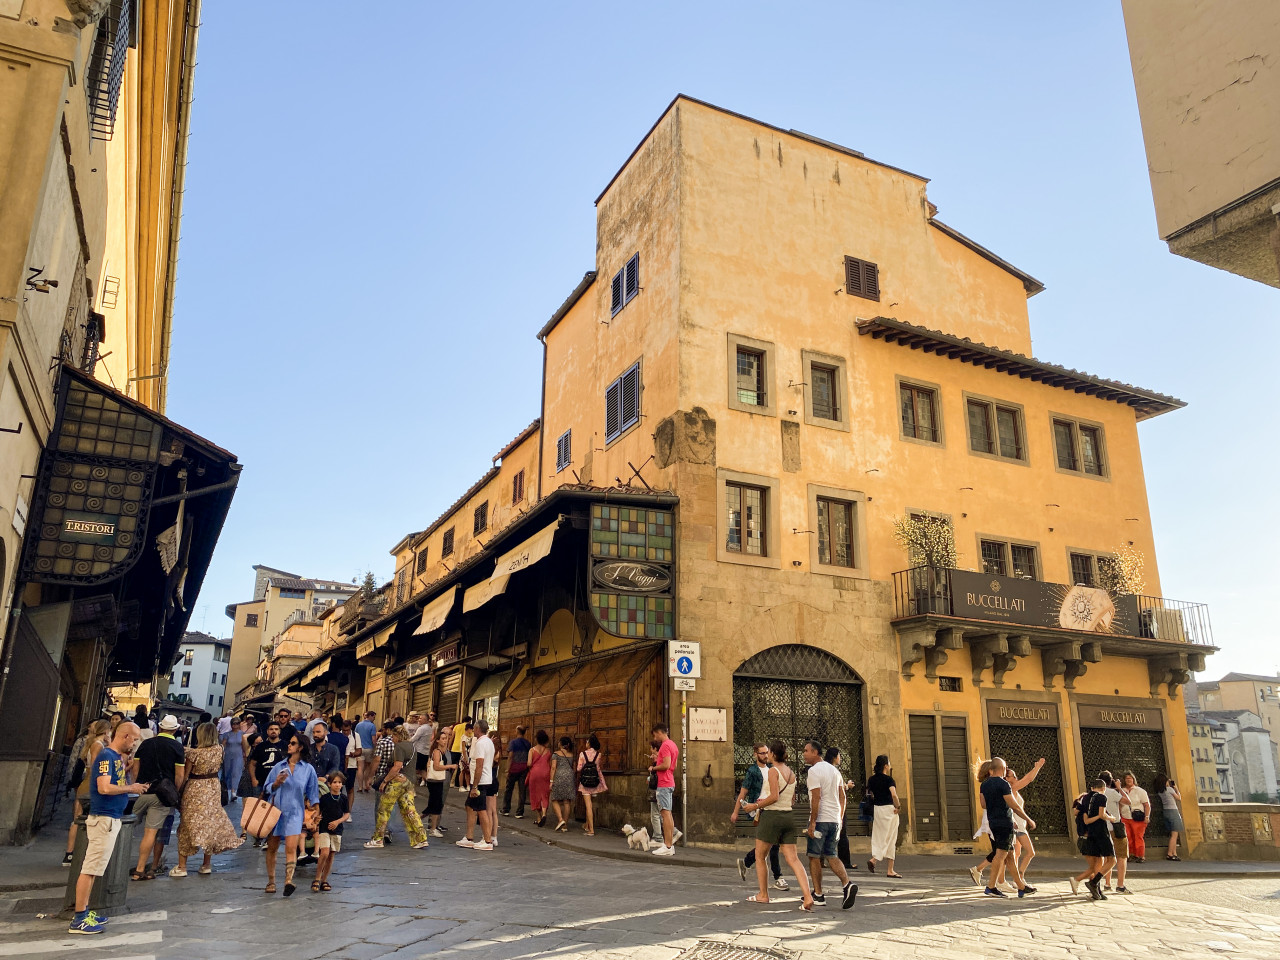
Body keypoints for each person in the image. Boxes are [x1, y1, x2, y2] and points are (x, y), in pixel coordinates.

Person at [68, 721, 148, 935]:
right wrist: (131, 787)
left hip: (109, 818)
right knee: (90, 869)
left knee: (94, 869)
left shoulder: (115, 758)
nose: (136, 743)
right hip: (104, 819)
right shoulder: (107, 757)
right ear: (125, 737)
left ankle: (84, 912)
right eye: (135, 738)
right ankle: (79, 918)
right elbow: (104, 787)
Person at [741, 741, 814, 910]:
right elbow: (792, 799)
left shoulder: (773, 771)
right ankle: (808, 896)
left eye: (769, 753)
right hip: (788, 816)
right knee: (793, 859)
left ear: (773, 754)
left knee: (760, 856)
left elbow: (773, 796)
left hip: (772, 816)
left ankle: (763, 895)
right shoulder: (791, 773)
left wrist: (755, 806)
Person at [170, 721, 243, 876]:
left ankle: (182, 867)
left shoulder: (194, 753)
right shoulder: (220, 750)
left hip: (195, 787)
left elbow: (186, 774)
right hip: (213, 787)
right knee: (209, 824)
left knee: (187, 825)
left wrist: (178, 791)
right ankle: (206, 864)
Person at [802, 740, 857, 909]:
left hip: (821, 820)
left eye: (806, 750)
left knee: (814, 856)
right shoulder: (835, 771)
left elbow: (816, 797)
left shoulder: (814, 771)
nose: (803, 753)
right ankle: (847, 884)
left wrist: (812, 822)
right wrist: (839, 818)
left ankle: (818, 894)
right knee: (832, 854)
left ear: (815, 752)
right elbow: (843, 797)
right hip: (834, 820)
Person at [263, 731, 319, 896]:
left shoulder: (308, 770)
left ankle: (288, 880)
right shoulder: (279, 766)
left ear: (300, 747)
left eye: (293, 743)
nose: (289, 745)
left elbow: (313, 793)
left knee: (291, 847)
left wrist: (315, 812)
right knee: (272, 847)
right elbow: (266, 788)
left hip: (295, 812)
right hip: (276, 811)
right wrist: (276, 783)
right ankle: (271, 881)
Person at [131, 714, 185, 882]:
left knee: (124, 828)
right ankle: (141, 869)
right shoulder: (177, 747)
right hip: (160, 796)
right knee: (151, 833)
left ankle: (114, 864)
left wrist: (136, 785)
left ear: (160, 727)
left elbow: (135, 768)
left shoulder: (145, 743)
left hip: (142, 791)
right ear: (175, 730)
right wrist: (173, 792)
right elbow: (179, 775)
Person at [365, 725, 431, 850]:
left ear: (398, 736)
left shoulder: (399, 747)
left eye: (393, 736)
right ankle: (421, 839)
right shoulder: (412, 746)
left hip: (398, 781)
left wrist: (385, 781)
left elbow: (397, 766)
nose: (392, 739)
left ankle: (378, 839)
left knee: (383, 808)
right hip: (410, 782)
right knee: (410, 811)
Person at [979, 757, 1036, 898]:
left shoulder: (984, 785)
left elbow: (983, 805)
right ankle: (991, 887)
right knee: (1001, 855)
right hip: (1005, 823)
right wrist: (1028, 819)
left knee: (1010, 855)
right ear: (1003, 769)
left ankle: (1021, 887)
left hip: (993, 823)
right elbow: (1014, 805)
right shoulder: (1004, 784)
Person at [733, 742, 787, 891]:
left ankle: (746, 862)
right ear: (755, 754)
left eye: (766, 752)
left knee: (767, 845)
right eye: (762, 753)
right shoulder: (752, 771)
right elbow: (743, 793)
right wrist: (735, 811)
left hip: (772, 809)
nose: (765, 755)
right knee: (774, 843)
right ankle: (778, 877)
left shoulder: (772, 769)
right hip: (759, 811)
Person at [65, 720, 110, 866]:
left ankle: (70, 853)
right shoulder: (98, 745)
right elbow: (98, 766)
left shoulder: (90, 743)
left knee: (78, 819)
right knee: (86, 820)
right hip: (92, 784)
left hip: (86, 783)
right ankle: (76, 853)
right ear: (106, 731)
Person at [1071, 778, 1118, 900]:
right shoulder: (1102, 797)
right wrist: (1111, 818)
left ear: (1092, 788)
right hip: (1101, 831)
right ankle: (1094, 882)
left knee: (1098, 862)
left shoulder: (1085, 798)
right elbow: (1102, 815)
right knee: (1112, 860)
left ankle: (1096, 890)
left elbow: (1077, 812)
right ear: (1104, 788)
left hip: (1091, 833)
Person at [456, 719, 496, 850]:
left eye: (474, 728)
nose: (473, 730)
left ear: (478, 729)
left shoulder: (480, 743)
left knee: (481, 810)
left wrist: (474, 786)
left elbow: (479, 765)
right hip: (485, 779)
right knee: (469, 806)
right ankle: (469, 837)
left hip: (480, 781)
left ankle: (487, 840)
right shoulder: (489, 742)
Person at [865, 755, 902, 878]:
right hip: (888, 810)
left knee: (879, 836)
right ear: (886, 765)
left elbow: (869, 794)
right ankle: (884, 866)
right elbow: (894, 795)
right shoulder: (889, 780)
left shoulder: (871, 779)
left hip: (877, 809)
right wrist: (898, 806)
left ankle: (881, 863)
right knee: (890, 837)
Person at [648, 722, 681, 856]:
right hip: (669, 781)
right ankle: (668, 845)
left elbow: (666, 765)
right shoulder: (673, 745)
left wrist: (654, 767)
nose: (655, 738)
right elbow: (674, 765)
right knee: (668, 814)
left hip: (664, 783)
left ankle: (667, 846)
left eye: (655, 735)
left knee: (665, 814)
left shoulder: (665, 746)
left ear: (660, 732)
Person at [315, 772, 350, 892]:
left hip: (337, 829)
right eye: (335, 782)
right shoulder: (324, 798)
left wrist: (338, 822)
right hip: (324, 827)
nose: (337, 784)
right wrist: (317, 818)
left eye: (339, 782)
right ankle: (317, 877)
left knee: (331, 854)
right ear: (329, 784)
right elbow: (318, 812)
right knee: (324, 852)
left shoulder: (344, 799)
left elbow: (347, 814)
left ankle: (324, 880)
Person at [1099, 770, 1131, 894]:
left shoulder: (1096, 793)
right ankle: (1120, 885)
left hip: (1102, 828)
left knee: (1108, 857)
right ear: (1110, 781)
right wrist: (1119, 788)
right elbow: (1127, 801)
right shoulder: (1112, 792)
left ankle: (1107, 883)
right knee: (1122, 856)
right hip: (1115, 827)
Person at [425, 728, 457, 838]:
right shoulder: (437, 751)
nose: (447, 739)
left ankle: (435, 824)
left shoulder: (446, 751)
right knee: (435, 804)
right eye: (444, 737)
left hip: (444, 779)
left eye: (449, 736)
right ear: (438, 740)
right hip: (437, 779)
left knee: (438, 803)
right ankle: (430, 825)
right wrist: (450, 766)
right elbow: (436, 766)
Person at [575, 733, 608, 836]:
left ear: (589, 743)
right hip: (596, 781)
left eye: (587, 741)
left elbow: (579, 769)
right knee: (591, 805)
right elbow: (598, 768)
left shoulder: (582, 754)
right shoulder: (598, 754)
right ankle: (587, 825)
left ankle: (591, 830)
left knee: (588, 806)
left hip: (585, 783)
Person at [1120, 770, 1151, 863]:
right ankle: (1131, 854)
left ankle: (1140, 855)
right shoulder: (1122, 791)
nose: (1128, 780)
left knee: (1138, 836)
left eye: (1130, 778)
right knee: (1128, 837)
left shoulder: (1140, 791)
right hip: (1125, 817)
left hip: (1137, 817)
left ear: (1133, 779)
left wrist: (1147, 816)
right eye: (1127, 778)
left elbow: (1147, 804)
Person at [502, 725, 531, 818]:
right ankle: (519, 812)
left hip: (514, 768)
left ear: (517, 731)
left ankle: (506, 809)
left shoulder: (513, 742)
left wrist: (507, 769)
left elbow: (510, 756)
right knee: (522, 790)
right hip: (524, 768)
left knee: (508, 789)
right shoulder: (528, 743)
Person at [548, 736, 576, 833]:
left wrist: (551, 781)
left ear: (560, 743)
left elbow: (553, 768)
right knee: (567, 802)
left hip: (559, 777)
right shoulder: (571, 755)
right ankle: (565, 826)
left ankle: (560, 819)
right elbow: (574, 768)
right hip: (569, 777)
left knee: (554, 799)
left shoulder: (555, 754)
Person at [1155, 773, 1183, 861]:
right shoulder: (1170, 789)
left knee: (1172, 834)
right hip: (1173, 811)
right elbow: (1179, 798)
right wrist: (1176, 788)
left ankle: (1174, 853)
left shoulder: (1160, 791)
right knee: (1174, 835)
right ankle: (1170, 853)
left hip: (1166, 811)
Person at [527, 730, 552, 827]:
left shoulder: (532, 750)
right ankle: (545, 814)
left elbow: (529, 763)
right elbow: (549, 764)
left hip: (535, 773)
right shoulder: (548, 751)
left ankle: (538, 817)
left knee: (535, 795)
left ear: (537, 739)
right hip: (546, 773)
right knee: (544, 794)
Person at [220, 716, 245, 803]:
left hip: (238, 756)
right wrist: (221, 755)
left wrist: (245, 757)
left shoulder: (242, 734)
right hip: (228, 756)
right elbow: (223, 745)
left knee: (236, 773)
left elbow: (244, 746)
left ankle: (234, 792)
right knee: (227, 773)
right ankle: (227, 791)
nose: (235, 725)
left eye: (237, 723)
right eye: (233, 723)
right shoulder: (227, 734)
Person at [354, 712, 377, 792]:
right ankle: (365, 785)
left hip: (360, 748)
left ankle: (360, 787)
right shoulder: (372, 726)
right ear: (370, 716)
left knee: (360, 768)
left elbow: (355, 736)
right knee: (367, 767)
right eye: (374, 717)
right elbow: (373, 739)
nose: (374, 719)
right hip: (369, 748)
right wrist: (375, 748)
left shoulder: (358, 725)